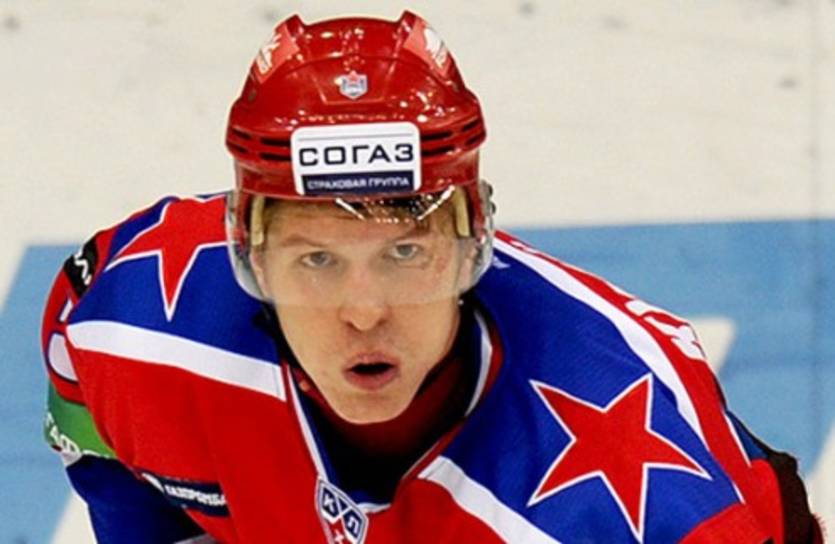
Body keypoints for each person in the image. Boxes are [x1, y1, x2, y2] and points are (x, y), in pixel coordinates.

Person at [41, 10, 822, 544]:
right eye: (316, 260)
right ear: (247, 250)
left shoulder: (644, 503)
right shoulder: (127, 322)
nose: (362, 311)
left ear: (471, 247)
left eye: (405, 254)